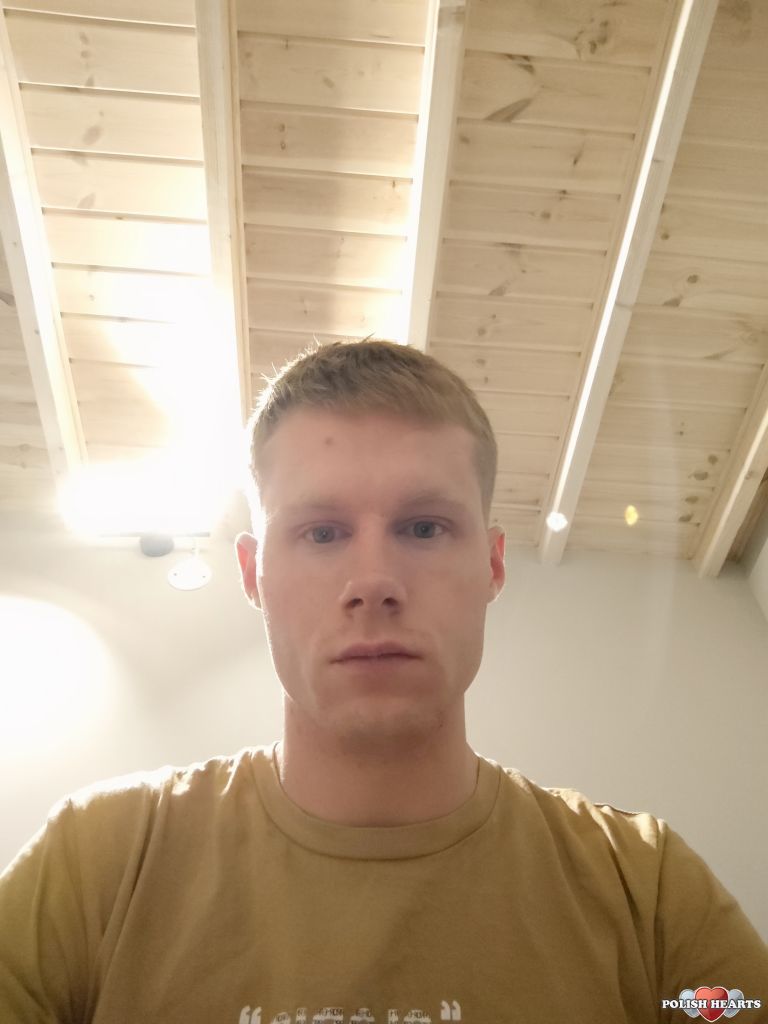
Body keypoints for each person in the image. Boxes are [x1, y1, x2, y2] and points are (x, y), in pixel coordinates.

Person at [1, 339, 766, 1024]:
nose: (373, 582)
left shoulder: (647, 889)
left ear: (492, 565)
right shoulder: (96, 862)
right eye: (322, 532)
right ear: (253, 573)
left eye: (424, 527)